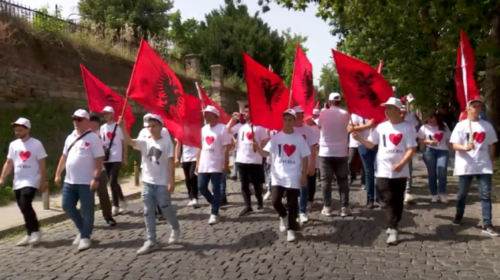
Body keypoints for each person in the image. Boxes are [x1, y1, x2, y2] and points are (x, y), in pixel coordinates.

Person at [353, 97, 417, 245]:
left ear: (398, 110)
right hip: (382, 169)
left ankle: (393, 225)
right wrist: (359, 139)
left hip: (400, 170)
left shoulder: (408, 127)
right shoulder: (381, 127)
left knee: (397, 199)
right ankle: (392, 224)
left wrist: (402, 163)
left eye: (389, 108)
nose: (386, 111)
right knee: (386, 197)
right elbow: (370, 144)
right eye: (386, 108)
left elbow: (411, 148)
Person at [119, 114, 181, 254]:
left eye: (154, 126)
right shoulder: (145, 141)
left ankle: (175, 228)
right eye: (149, 126)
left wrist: (172, 181)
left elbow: (171, 163)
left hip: (162, 182)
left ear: (160, 127)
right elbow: (129, 141)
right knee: (148, 211)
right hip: (147, 181)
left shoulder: (166, 142)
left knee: (165, 208)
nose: (151, 129)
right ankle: (151, 240)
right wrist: (123, 128)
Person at [253, 109, 310, 242]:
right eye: (286, 120)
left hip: (293, 174)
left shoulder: (299, 139)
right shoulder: (276, 137)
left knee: (292, 203)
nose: (288, 122)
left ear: (295, 121)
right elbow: (266, 153)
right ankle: (283, 216)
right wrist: (258, 148)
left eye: (290, 120)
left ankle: (291, 229)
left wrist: (303, 175)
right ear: (283, 120)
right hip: (278, 174)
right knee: (275, 200)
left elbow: (305, 158)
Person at [55, 109, 104, 251]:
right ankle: (83, 229)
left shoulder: (94, 138)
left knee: (87, 210)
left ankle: (85, 237)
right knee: (67, 206)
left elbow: (99, 160)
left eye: (79, 119)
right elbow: (64, 157)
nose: (76, 122)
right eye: (74, 119)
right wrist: (58, 173)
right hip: (69, 181)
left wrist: (96, 177)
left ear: (87, 121)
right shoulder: (70, 137)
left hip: (86, 181)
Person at [449, 98, 498, 236]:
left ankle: (487, 223)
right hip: (466, 165)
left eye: (479, 106)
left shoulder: (487, 126)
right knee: (462, 194)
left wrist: (491, 160)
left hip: (483, 165)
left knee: (486, 194)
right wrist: (465, 147)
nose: (477, 109)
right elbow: (454, 144)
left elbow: (491, 144)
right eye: (474, 106)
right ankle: (459, 214)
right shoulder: (461, 125)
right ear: (468, 109)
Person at [0, 118, 47, 246]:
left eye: (20, 129)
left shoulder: (36, 144)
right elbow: (9, 162)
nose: (17, 132)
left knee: (26, 203)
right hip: (18, 180)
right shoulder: (13, 145)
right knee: (22, 207)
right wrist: (2, 177)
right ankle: (29, 233)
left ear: (27, 129)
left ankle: (36, 231)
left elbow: (42, 164)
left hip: (32, 179)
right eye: (16, 129)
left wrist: (43, 181)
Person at [226, 105, 268, 216]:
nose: (245, 114)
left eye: (247, 112)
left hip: (255, 160)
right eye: (244, 112)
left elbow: (265, 142)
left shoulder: (260, 127)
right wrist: (232, 120)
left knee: (256, 183)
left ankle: (259, 199)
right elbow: (226, 130)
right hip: (241, 159)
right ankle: (248, 206)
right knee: (244, 184)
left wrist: (259, 149)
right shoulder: (240, 126)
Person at [196, 105, 231, 225]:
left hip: (217, 163)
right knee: (201, 187)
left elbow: (227, 147)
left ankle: (214, 212)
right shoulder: (203, 129)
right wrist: (197, 162)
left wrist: (226, 163)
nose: (205, 116)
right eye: (204, 114)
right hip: (204, 163)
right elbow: (201, 147)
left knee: (216, 189)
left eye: (208, 114)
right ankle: (214, 202)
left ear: (215, 116)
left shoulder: (222, 129)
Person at [317, 92, 350, 217]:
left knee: (326, 181)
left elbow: (319, 126)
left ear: (329, 102)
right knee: (343, 180)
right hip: (341, 151)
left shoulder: (323, 113)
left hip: (325, 151)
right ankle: (344, 207)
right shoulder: (346, 114)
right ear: (340, 102)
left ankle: (327, 207)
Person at [137, 113, 171, 219]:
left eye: (152, 123)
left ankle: (162, 210)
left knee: (160, 189)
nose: (150, 127)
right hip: (147, 162)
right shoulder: (143, 132)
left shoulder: (164, 131)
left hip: (160, 163)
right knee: (149, 188)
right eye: (147, 122)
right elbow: (137, 145)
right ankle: (152, 210)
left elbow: (167, 146)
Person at [291, 106, 318, 224]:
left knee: (303, 188)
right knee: (292, 190)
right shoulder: (288, 129)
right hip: (290, 165)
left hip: (304, 164)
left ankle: (302, 211)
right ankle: (293, 211)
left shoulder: (308, 130)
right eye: (296, 114)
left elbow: (313, 148)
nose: (298, 117)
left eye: (300, 114)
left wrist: (312, 164)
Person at [348, 114, 381, 209]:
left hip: (378, 144)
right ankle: (370, 198)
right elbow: (350, 128)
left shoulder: (378, 111)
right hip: (363, 144)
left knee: (379, 171)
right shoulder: (356, 114)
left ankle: (380, 197)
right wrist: (367, 125)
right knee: (369, 171)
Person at [417, 113, 451, 203]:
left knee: (442, 172)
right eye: (430, 121)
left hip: (443, 151)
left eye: (434, 121)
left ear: (437, 120)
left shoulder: (444, 126)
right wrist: (428, 142)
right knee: (432, 173)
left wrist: (452, 153)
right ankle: (434, 194)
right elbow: (420, 141)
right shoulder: (424, 127)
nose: (432, 122)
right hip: (429, 151)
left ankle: (442, 193)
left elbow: (448, 140)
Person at [100, 106, 127, 216]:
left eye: (108, 113)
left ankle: (121, 200)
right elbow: (101, 142)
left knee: (112, 181)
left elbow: (124, 142)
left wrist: (124, 157)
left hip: (116, 157)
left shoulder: (118, 127)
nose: (106, 115)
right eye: (104, 114)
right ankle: (116, 206)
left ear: (112, 114)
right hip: (107, 158)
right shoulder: (102, 128)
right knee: (112, 182)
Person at [89, 114, 116, 226]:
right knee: (88, 196)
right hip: (86, 171)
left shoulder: (98, 134)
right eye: (93, 124)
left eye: (97, 125)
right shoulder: (81, 135)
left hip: (100, 169)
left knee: (103, 194)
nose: (95, 127)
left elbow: (103, 148)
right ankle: (88, 219)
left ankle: (108, 216)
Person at [400, 105, 419, 204]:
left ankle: (407, 191)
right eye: (400, 112)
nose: (402, 115)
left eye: (404, 113)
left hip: (407, 151)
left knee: (408, 170)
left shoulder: (410, 125)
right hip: (394, 153)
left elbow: (415, 136)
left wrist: (412, 149)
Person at [175, 138, 199, 208]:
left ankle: (195, 197)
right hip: (185, 159)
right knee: (188, 179)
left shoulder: (196, 132)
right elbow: (178, 146)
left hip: (195, 158)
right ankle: (191, 197)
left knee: (193, 177)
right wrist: (176, 157)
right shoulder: (181, 134)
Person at [305, 118, 320, 208]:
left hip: (312, 156)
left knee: (311, 179)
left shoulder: (315, 129)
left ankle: (310, 199)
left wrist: (317, 145)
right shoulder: (297, 128)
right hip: (300, 159)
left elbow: (319, 141)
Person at [347, 113, 366, 186]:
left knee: (363, 163)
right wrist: (357, 126)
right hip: (353, 143)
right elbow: (349, 129)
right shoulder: (352, 115)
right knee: (350, 161)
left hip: (363, 142)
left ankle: (363, 181)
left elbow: (364, 127)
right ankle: (352, 176)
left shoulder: (364, 115)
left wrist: (354, 126)